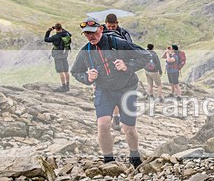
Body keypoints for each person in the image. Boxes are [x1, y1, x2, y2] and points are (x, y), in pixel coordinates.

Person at [70, 16, 150, 168]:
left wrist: (127, 66)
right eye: (87, 33)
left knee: (129, 129)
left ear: (101, 29)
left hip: (127, 89)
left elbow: (145, 55)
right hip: (104, 90)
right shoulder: (85, 52)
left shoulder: (117, 43)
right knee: (103, 124)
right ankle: (109, 161)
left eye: (93, 32)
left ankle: (134, 156)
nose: (91, 36)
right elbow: (75, 71)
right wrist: (87, 77)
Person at [103, 13, 133, 129]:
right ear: (105, 24)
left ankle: (117, 118)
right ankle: (112, 117)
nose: (110, 29)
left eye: (113, 27)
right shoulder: (100, 31)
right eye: (109, 27)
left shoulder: (124, 33)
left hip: (120, 67)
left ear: (117, 24)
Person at [44, 23, 71, 92]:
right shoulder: (66, 34)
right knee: (66, 71)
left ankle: (63, 87)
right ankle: (67, 86)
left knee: (60, 71)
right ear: (61, 28)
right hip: (64, 54)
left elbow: (46, 39)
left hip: (57, 55)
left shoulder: (55, 37)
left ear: (56, 29)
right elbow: (66, 32)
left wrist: (49, 31)